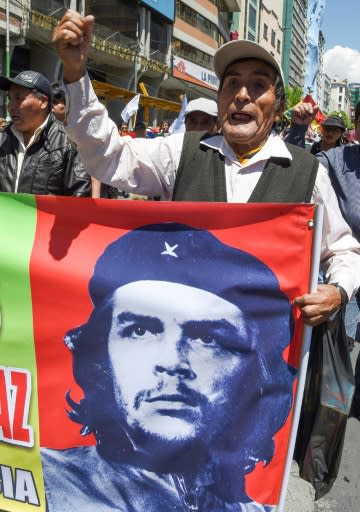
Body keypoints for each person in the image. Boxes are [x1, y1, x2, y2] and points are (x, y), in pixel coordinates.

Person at [52, 10, 360, 330]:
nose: (242, 95)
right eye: (233, 84)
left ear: (279, 106)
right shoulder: (181, 153)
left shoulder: (308, 172)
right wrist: (75, 72)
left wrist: (337, 292)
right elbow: (107, 156)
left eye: (258, 86)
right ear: (220, 97)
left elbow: (343, 251)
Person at [41, 222, 295, 511]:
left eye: (207, 338)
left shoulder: (258, 508)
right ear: (102, 354)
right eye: (140, 331)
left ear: (255, 373)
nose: (171, 362)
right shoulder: (39, 480)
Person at [0, 70, 91, 196]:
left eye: (18, 98)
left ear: (43, 102)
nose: (11, 106)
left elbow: (80, 198)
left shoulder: (69, 142)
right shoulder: (2, 139)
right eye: (9, 98)